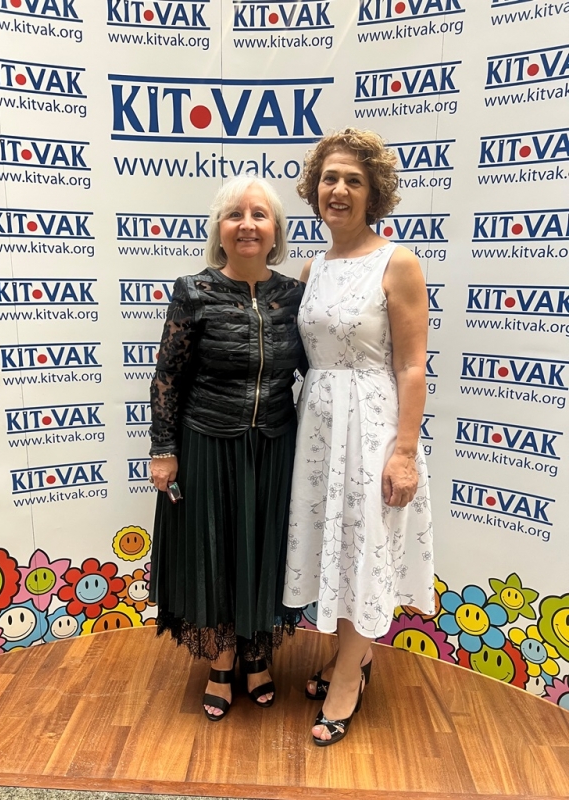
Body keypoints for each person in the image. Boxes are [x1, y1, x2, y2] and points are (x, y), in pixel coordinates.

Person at [283, 128, 435, 746]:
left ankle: (349, 674)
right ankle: (356, 654)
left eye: (353, 180)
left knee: (363, 544)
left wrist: (404, 453)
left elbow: (412, 365)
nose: (339, 190)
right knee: (336, 545)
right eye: (329, 178)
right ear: (314, 189)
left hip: (373, 429)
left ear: (374, 194)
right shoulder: (311, 267)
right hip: (318, 427)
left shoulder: (398, 262)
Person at [148, 175, 306, 722]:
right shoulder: (194, 290)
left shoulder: (293, 296)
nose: (247, 224)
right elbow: (168, 375)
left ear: (275, 230)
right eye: (235, 215)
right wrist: (163, 448)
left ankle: (257, 653)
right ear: (220, 229)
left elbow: (316, 370)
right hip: (208, 443)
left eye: (259, 215)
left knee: (263, 548)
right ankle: (221, 660)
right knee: (215, 551)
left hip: (275, 445)